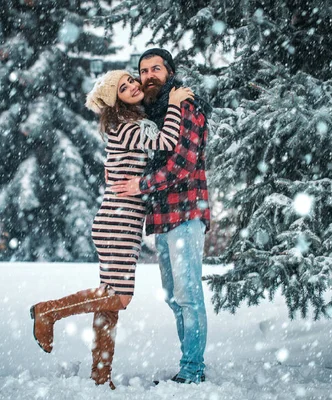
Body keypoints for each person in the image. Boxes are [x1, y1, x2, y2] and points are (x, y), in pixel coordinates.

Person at [29, 69, 194, 389]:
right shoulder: (125, 125)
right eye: (124, 86)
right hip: (117, 222)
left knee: (110, 302)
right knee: (118, 298)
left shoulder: (130, 123)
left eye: (131, 80)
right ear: (114, 98)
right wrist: (173, 104)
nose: (133, 85)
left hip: (122, 222)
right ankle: (47, 312)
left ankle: (100, 375)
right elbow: (165, 141)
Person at [111, 48, 212, 384]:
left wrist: (139, 184)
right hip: (163, 219)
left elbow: (182, 164)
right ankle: (191, 365)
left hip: (185, 212)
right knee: (174, 297)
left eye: (156, 68)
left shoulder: (185, 104)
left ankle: (192, 371)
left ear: (169, 72)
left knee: (188, 295)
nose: (149, 75)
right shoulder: (155, 113)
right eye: (144, 70)